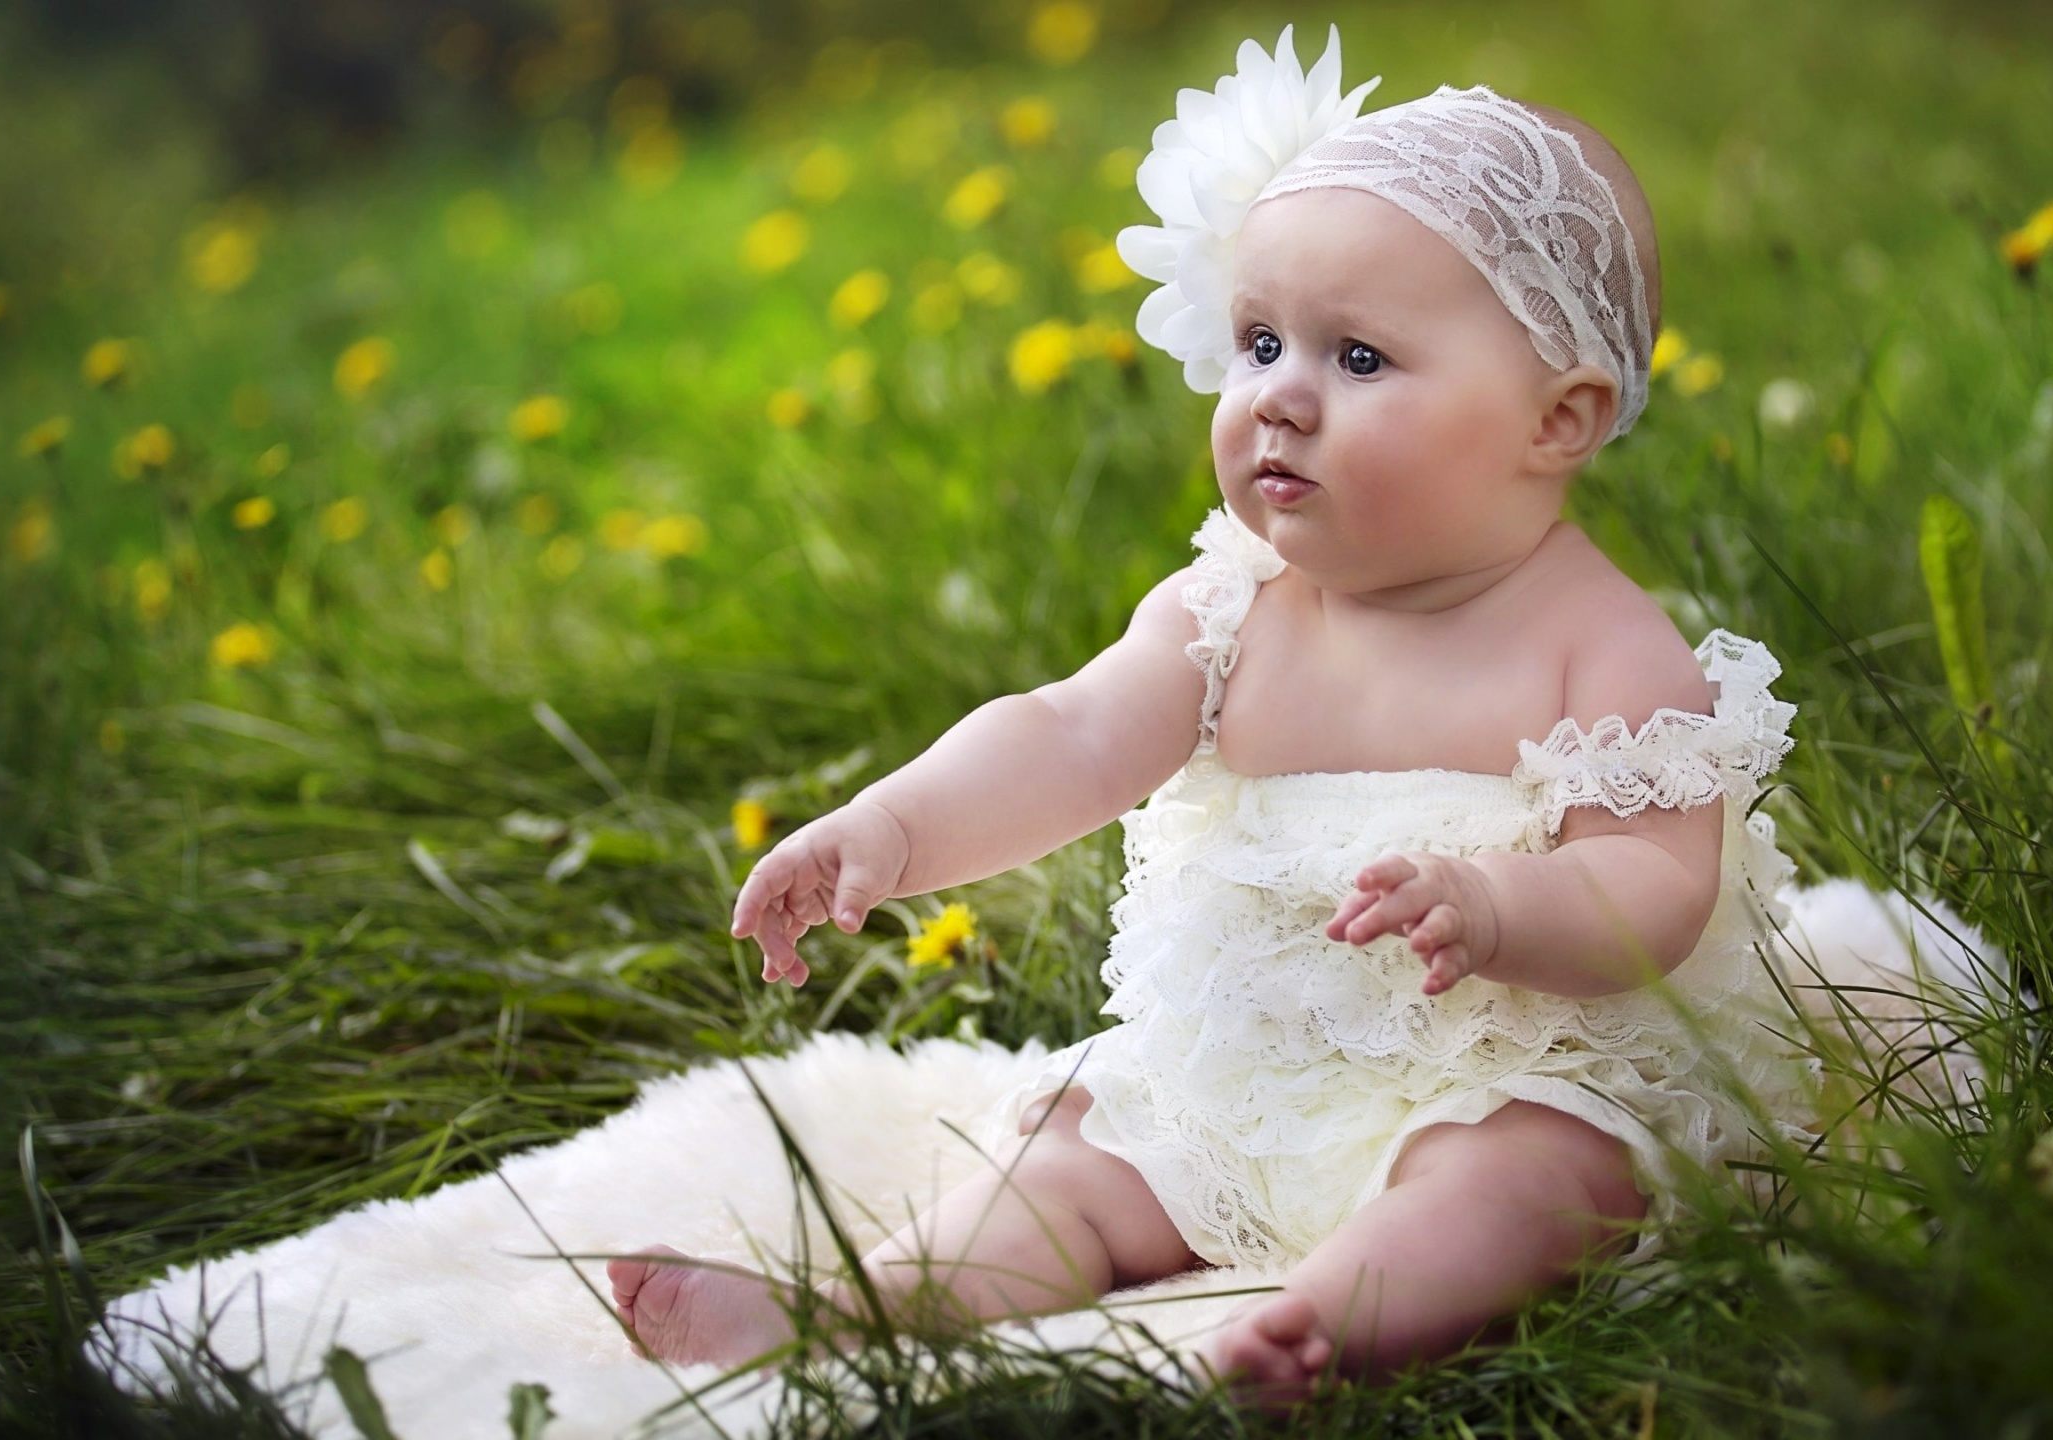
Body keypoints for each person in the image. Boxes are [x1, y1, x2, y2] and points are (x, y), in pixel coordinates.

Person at [610, 26, 1953, 1409]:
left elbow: (1658, 883)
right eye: (1260, 342)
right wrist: (891, 829)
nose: (1278, 399)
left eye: (1359, 357)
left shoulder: (1598, 645)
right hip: (1238, 1084)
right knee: (1076, 1158)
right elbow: (1066, 734)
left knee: (1541, 1181)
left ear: (1560, 419)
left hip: (1507, 1069)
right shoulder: (1233, 605)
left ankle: (1313, 1322)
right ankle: (851, 1306)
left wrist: (1500, 911)